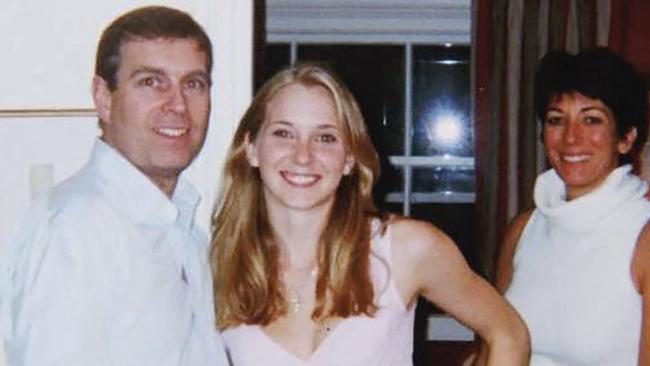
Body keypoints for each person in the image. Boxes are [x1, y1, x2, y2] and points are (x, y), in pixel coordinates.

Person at [210, 63, 530, 366]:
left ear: (349, 158)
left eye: (325, 138)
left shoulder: (405, 248)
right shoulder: (215, 265)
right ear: (251, 148)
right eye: (284, 133)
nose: (303, 155)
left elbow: (508, 333)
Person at [1, 6, 229, 365]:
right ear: (104, 98)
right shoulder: (76, 231)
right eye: (152, 82)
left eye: (193, 84)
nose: (178, 105)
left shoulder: (185, 233)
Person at [494, 48, 650, 365]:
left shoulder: (643, 237)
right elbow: (492, 346)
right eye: (556, 120)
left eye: (591, 120)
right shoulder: (524, 229)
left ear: (626, 138)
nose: (571, 138)